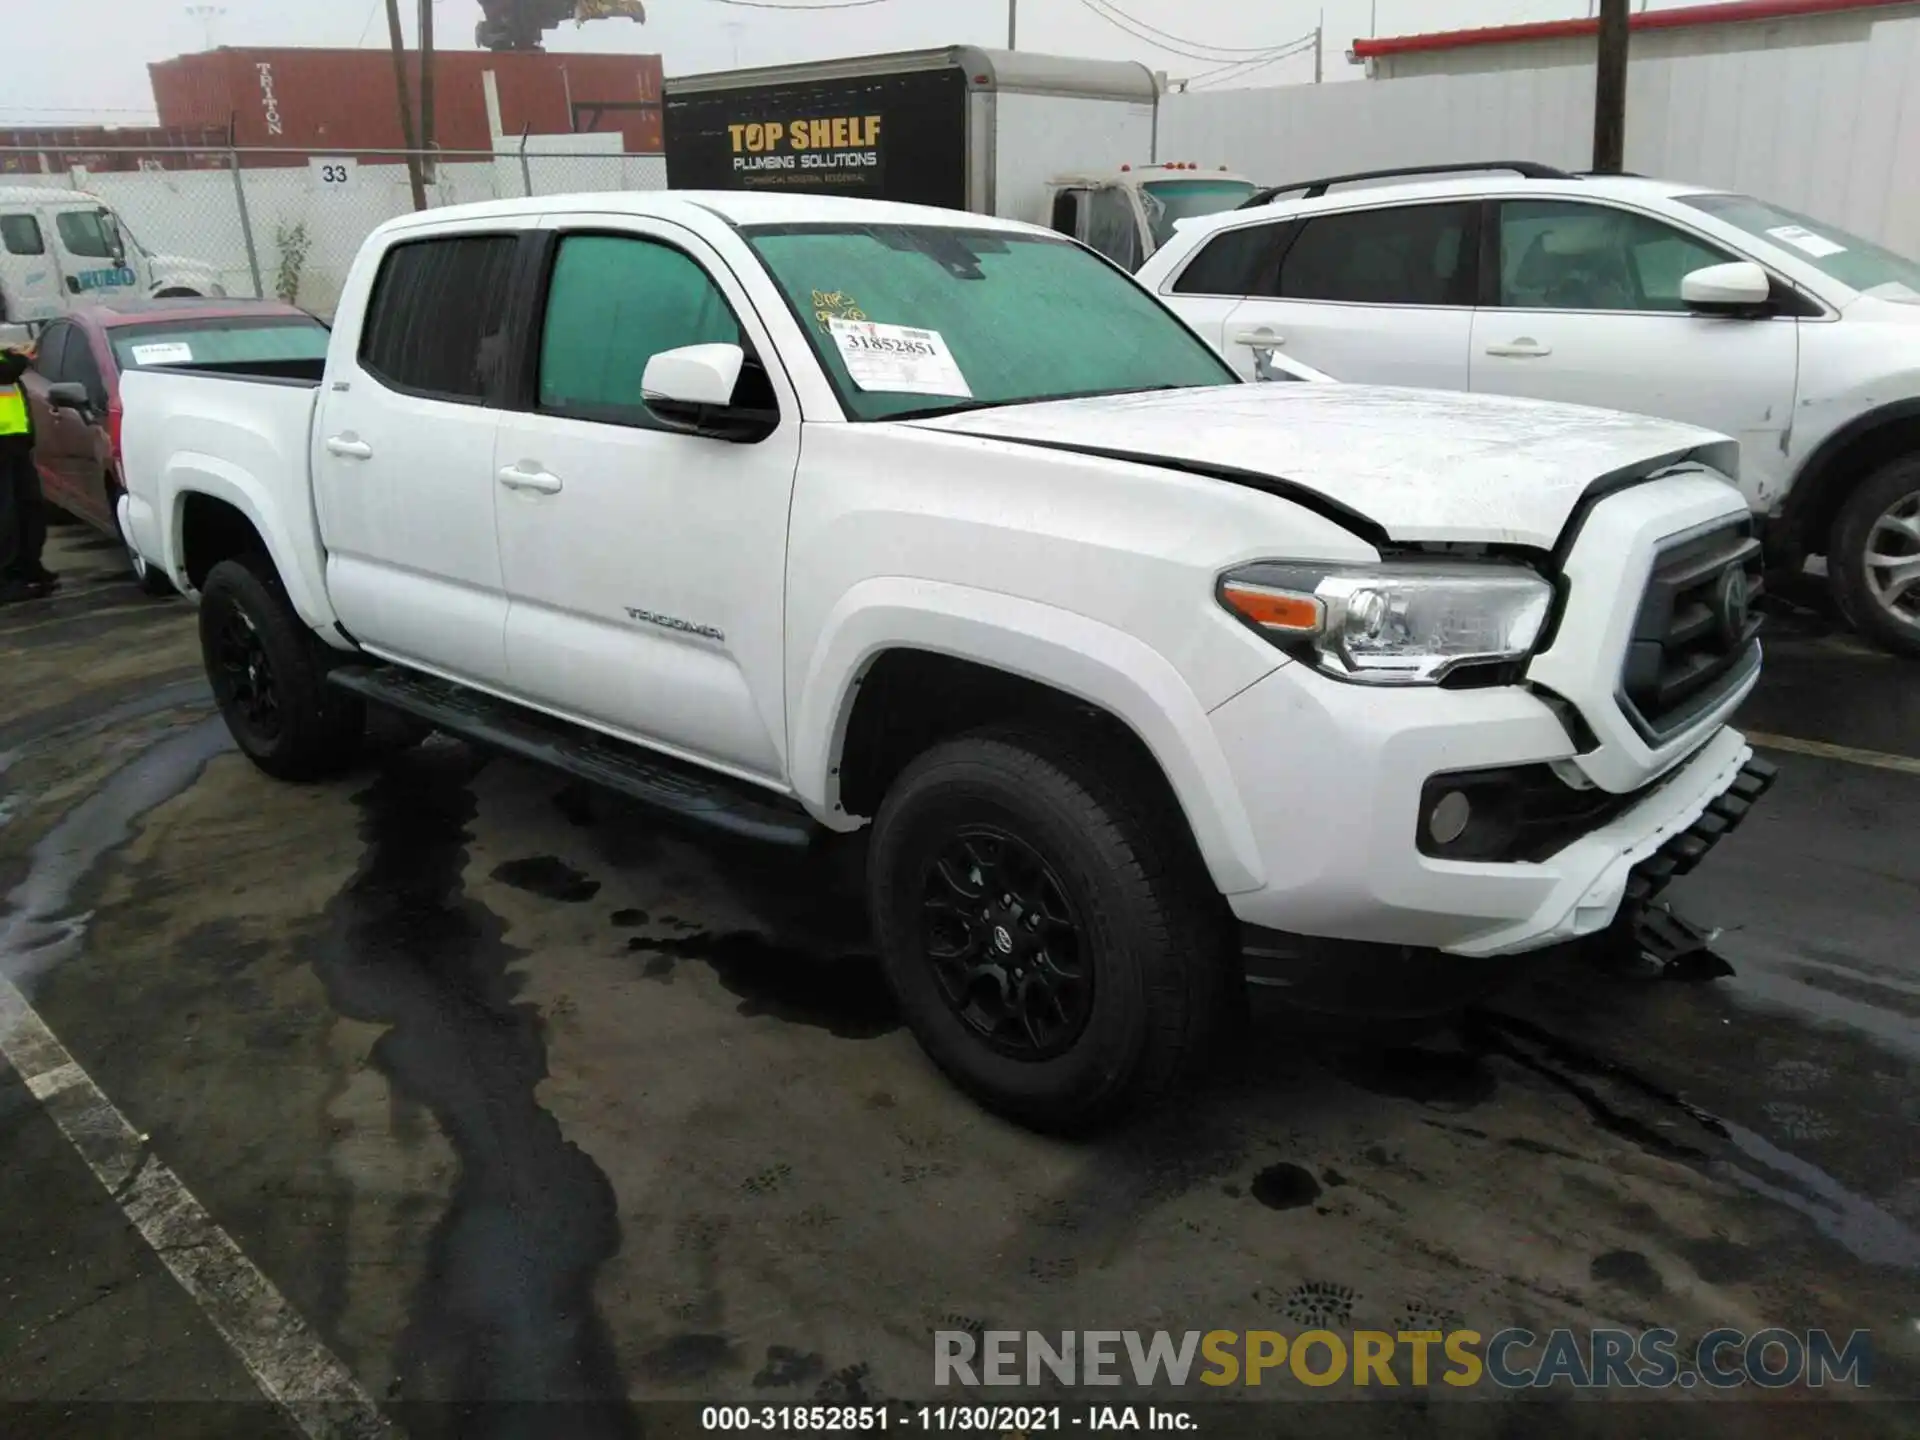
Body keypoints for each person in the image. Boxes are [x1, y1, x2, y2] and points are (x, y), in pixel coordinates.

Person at [0, 342, 56, 603]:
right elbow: (5, 372)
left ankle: (28, 566)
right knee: (5, 515)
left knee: (30, 507)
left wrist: (13, 354)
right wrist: (20, 359)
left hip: (14, 442)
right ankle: (6, 579)